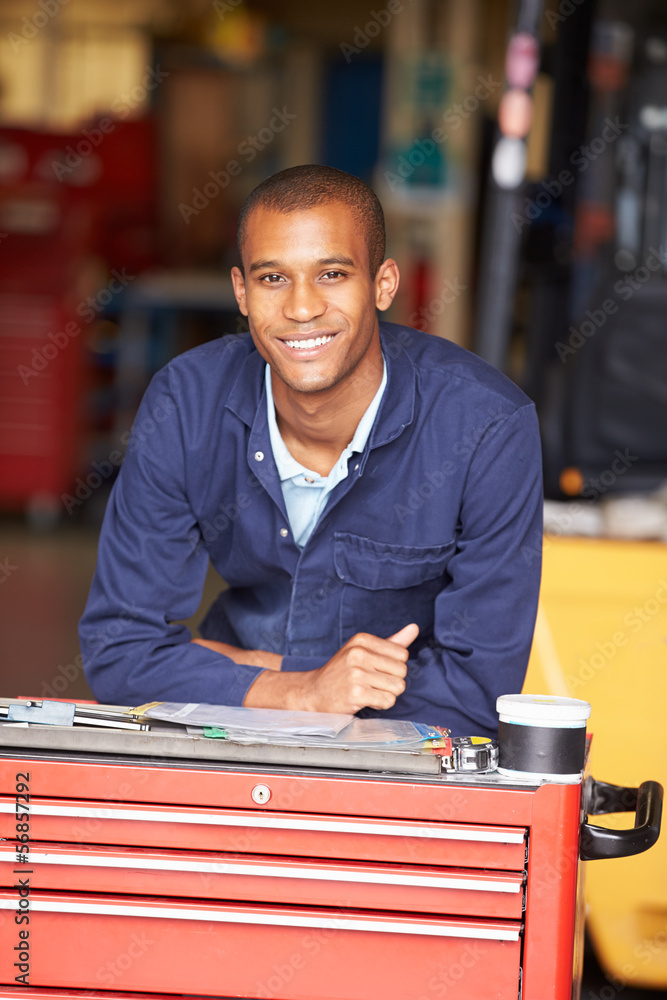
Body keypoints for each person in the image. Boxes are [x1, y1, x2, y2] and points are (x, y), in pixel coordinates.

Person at [79, 164, 543, 737]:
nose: (302, 308)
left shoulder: (485, 428)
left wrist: (244, 672)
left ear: (383, 283)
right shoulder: (187, 404)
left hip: (399, 768)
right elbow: (119, 651)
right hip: (233, 735)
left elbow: (477, 693)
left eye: (331, 274)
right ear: (242, 292)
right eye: (273, 278)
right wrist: (303, 690)